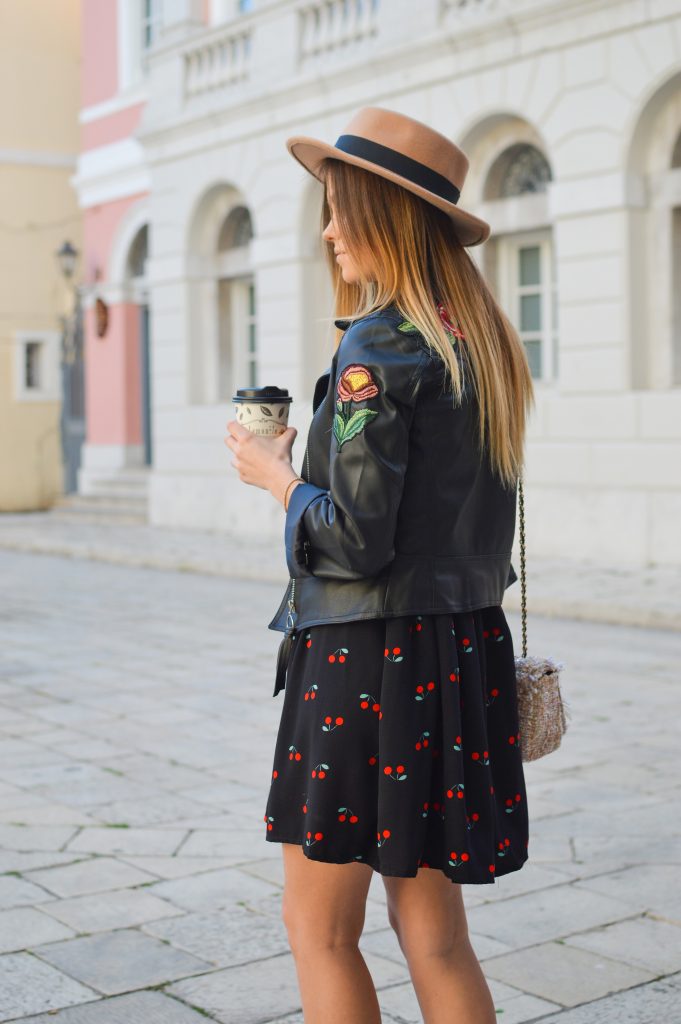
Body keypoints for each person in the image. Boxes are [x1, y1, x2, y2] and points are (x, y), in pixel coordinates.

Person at [225, 106, 535, 1024]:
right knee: (435, 936)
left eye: (338, 208)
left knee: (319, 931)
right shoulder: (479, 343)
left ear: (384, 219)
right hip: (459, 654)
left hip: (371, 657)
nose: (327, 229)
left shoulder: (375, 349)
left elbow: (355, 540)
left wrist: (276, 477)